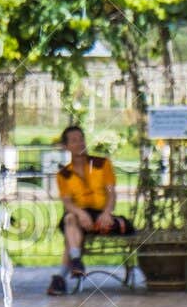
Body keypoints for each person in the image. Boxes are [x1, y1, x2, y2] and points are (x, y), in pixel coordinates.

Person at [46, 124, 133, 295]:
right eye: (74, 141)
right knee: (71, 218)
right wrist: (80, 213)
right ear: (66, 146)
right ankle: (75, 262)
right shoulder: (64, 174)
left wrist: (107, 212)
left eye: (81, 139)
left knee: (71, 233)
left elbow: (111, 193)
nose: (79, 143)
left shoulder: (102, 164)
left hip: (101, 215)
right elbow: (67, 202)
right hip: (79, 214)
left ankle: (63, 274)